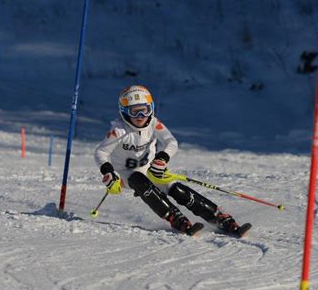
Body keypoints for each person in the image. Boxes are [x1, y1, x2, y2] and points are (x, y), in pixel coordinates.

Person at [94, 85, 251, 237]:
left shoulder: (154, 123)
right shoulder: (119, 131)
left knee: (176, 189)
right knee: (138, 179)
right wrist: (108, 172)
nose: (141, 117)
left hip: (151, 170)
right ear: (124, 113)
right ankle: (176, 219)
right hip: (126, 176)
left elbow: (171, 142)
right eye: (134, 112)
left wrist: (162, 159)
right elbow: (101, 152)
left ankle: (220, 218)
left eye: (145, 110)